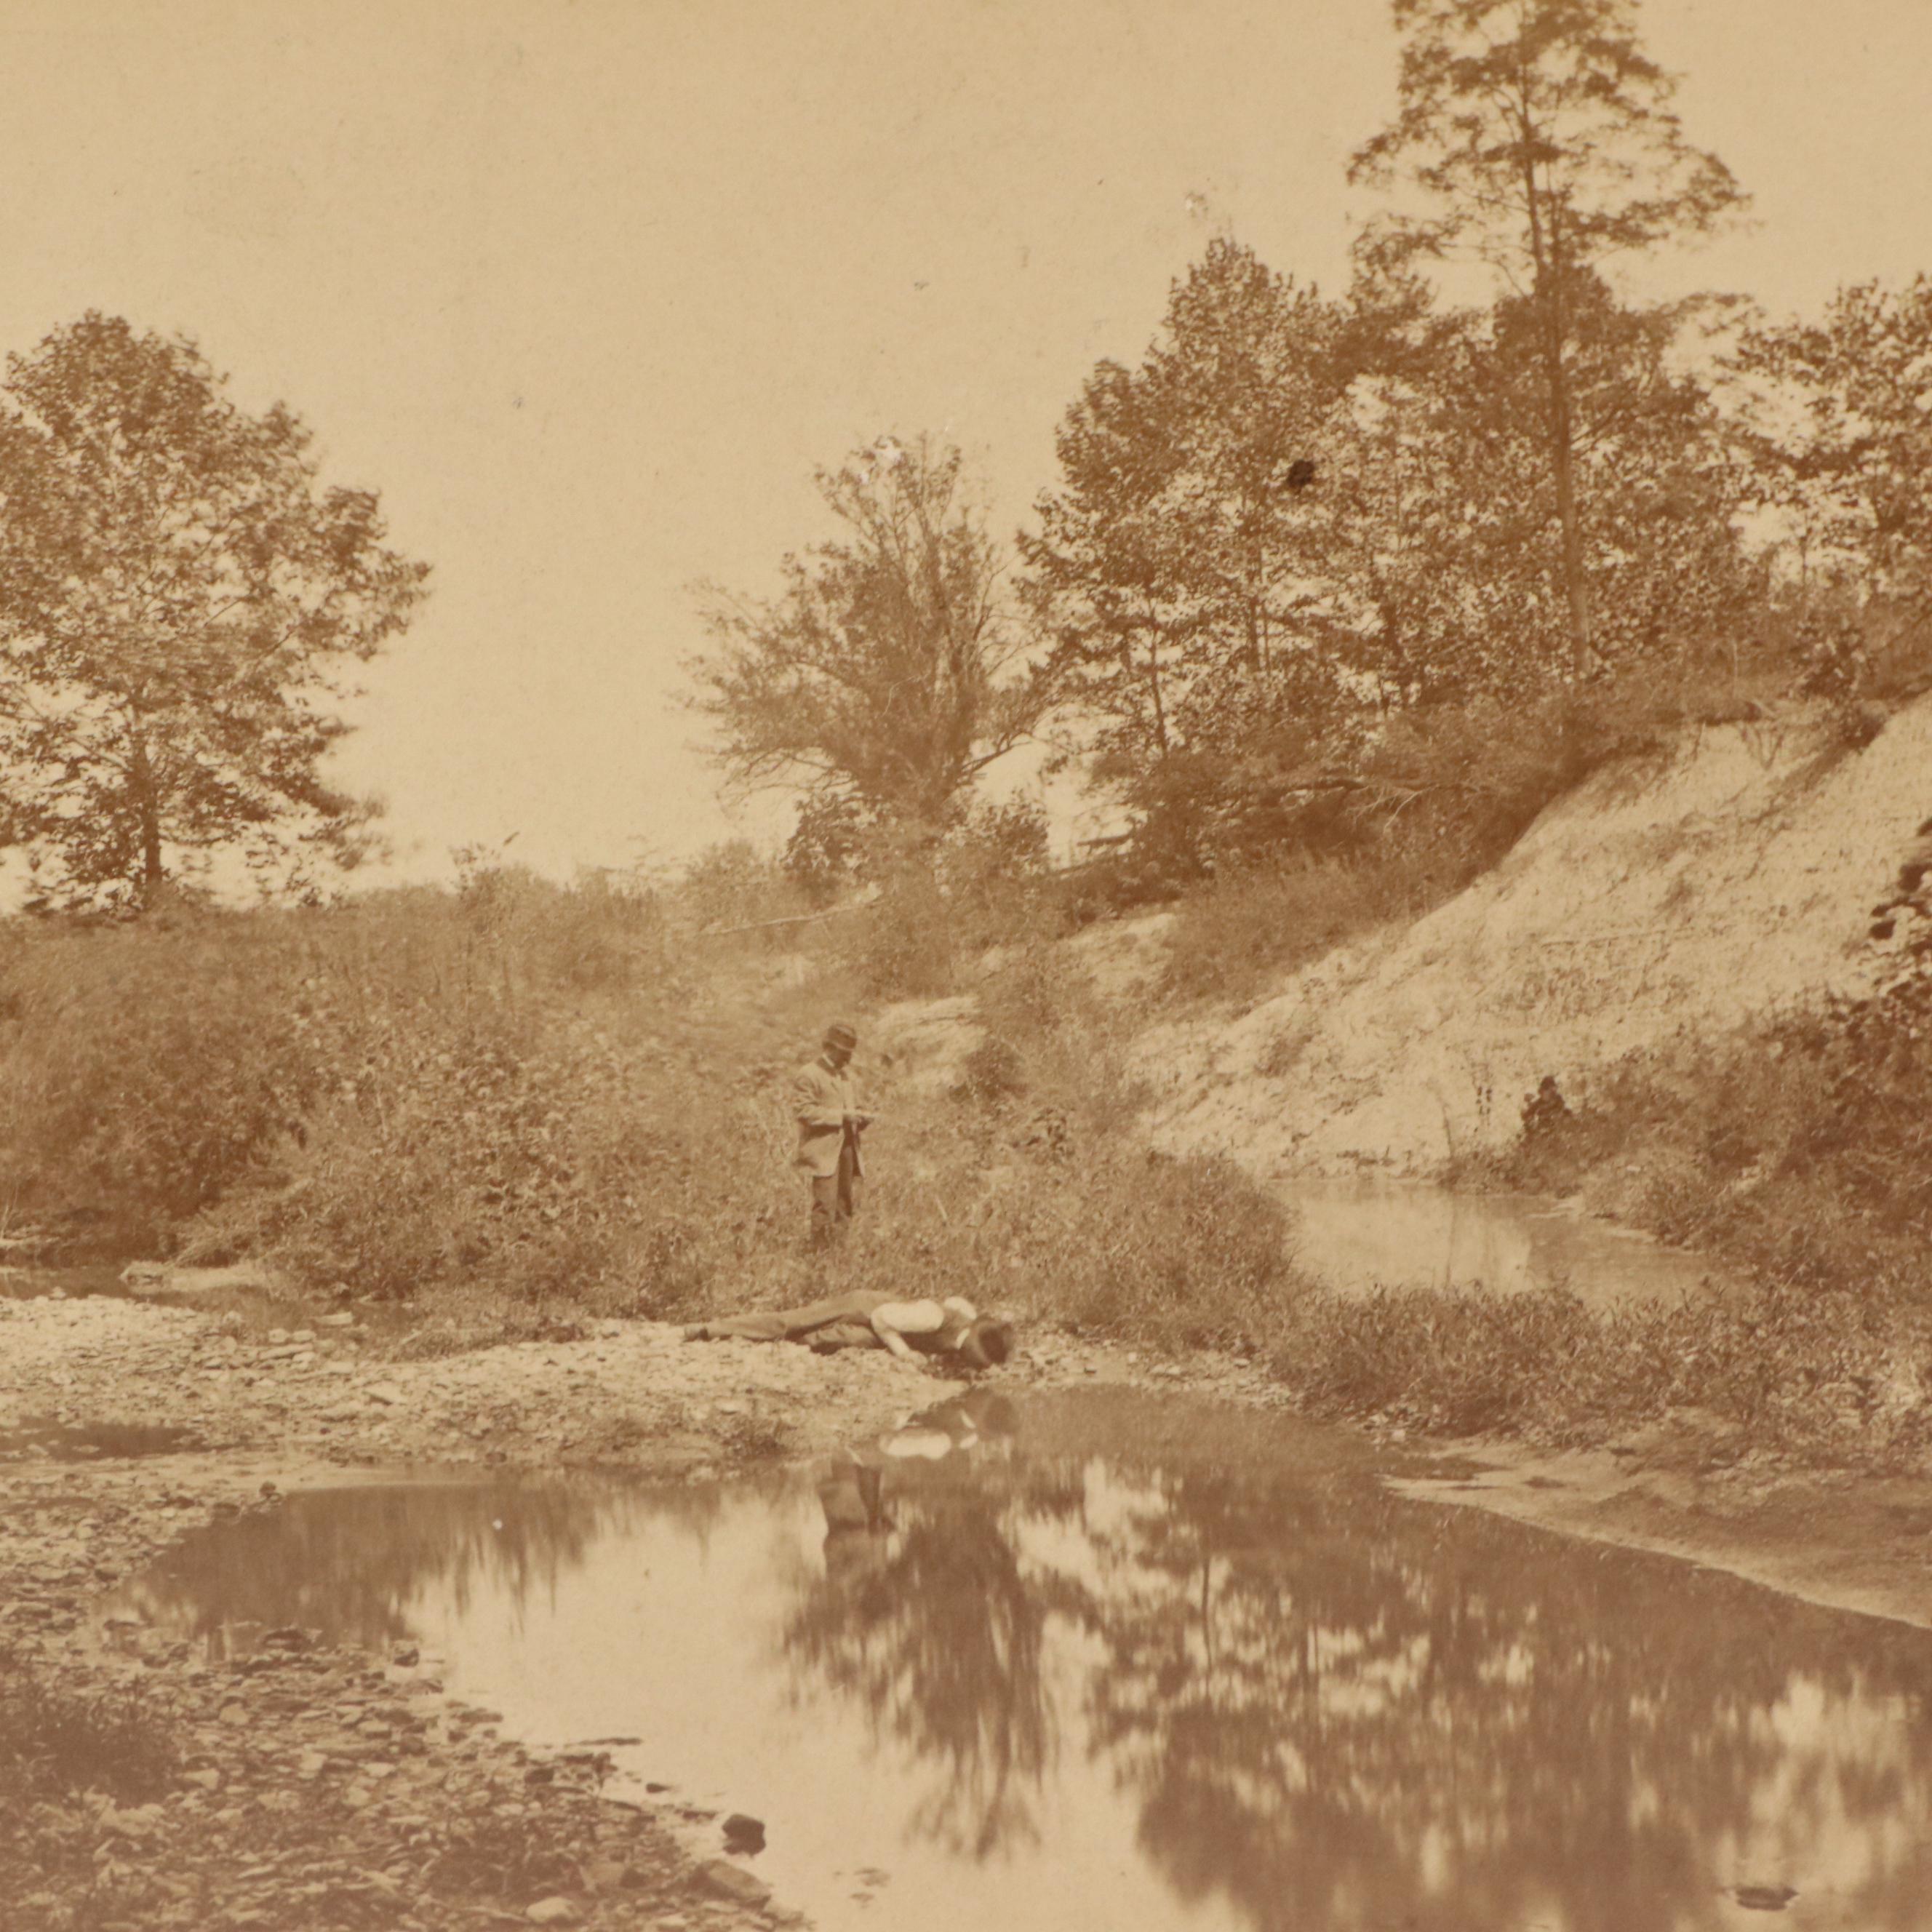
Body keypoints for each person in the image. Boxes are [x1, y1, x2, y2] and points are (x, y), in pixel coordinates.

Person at [684, 1288, 1013, 1372]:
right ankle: (710, 1329)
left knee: (825, 1341)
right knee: (792, 1322)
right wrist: (904, 1353)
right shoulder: (932, 1318)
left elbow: (957, 1300)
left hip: (885, 1330)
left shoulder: (966, 1320)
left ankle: (762, 1344)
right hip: (867, 1309)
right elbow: (883, 1317)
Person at [794, 1021, 871, 1245]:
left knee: (844, 1203)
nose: (849, 1058)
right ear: (829, 1048)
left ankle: (839, 1252)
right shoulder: (809, 1074)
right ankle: (819, 1254)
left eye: (850, 1053)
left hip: (847, 1147)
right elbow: (803, 1111)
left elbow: (851, 1108)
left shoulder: (846, 1076)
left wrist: (861, 1117)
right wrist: (842, 1116)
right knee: (825, 1204)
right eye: (844, 1052)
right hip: (823, 1150)